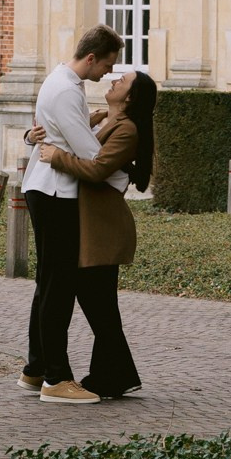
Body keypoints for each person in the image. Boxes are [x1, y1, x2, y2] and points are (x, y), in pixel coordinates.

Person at [19, 23, 122, 402]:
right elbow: (88, 153)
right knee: (58, 286)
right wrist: (120, 175)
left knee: (48, 283)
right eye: (107, 65)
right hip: (55, 192)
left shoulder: (64, 81)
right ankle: (56, 379)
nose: (108, 73)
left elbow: (62, 134)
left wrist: (86, 123)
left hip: (47, 188)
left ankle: (36, 369)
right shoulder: (64, 89)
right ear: (91, 57)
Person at [40, 65, 154, 401]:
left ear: (131, 97)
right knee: (100, 307)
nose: (114, 79)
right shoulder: (112, 122)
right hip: (96, 224)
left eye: (123, 81)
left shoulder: (128, 129)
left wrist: (58, 157)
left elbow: (98, 168)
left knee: (99, 306)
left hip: (104, 227)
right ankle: (114, 376)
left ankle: (111, 376)